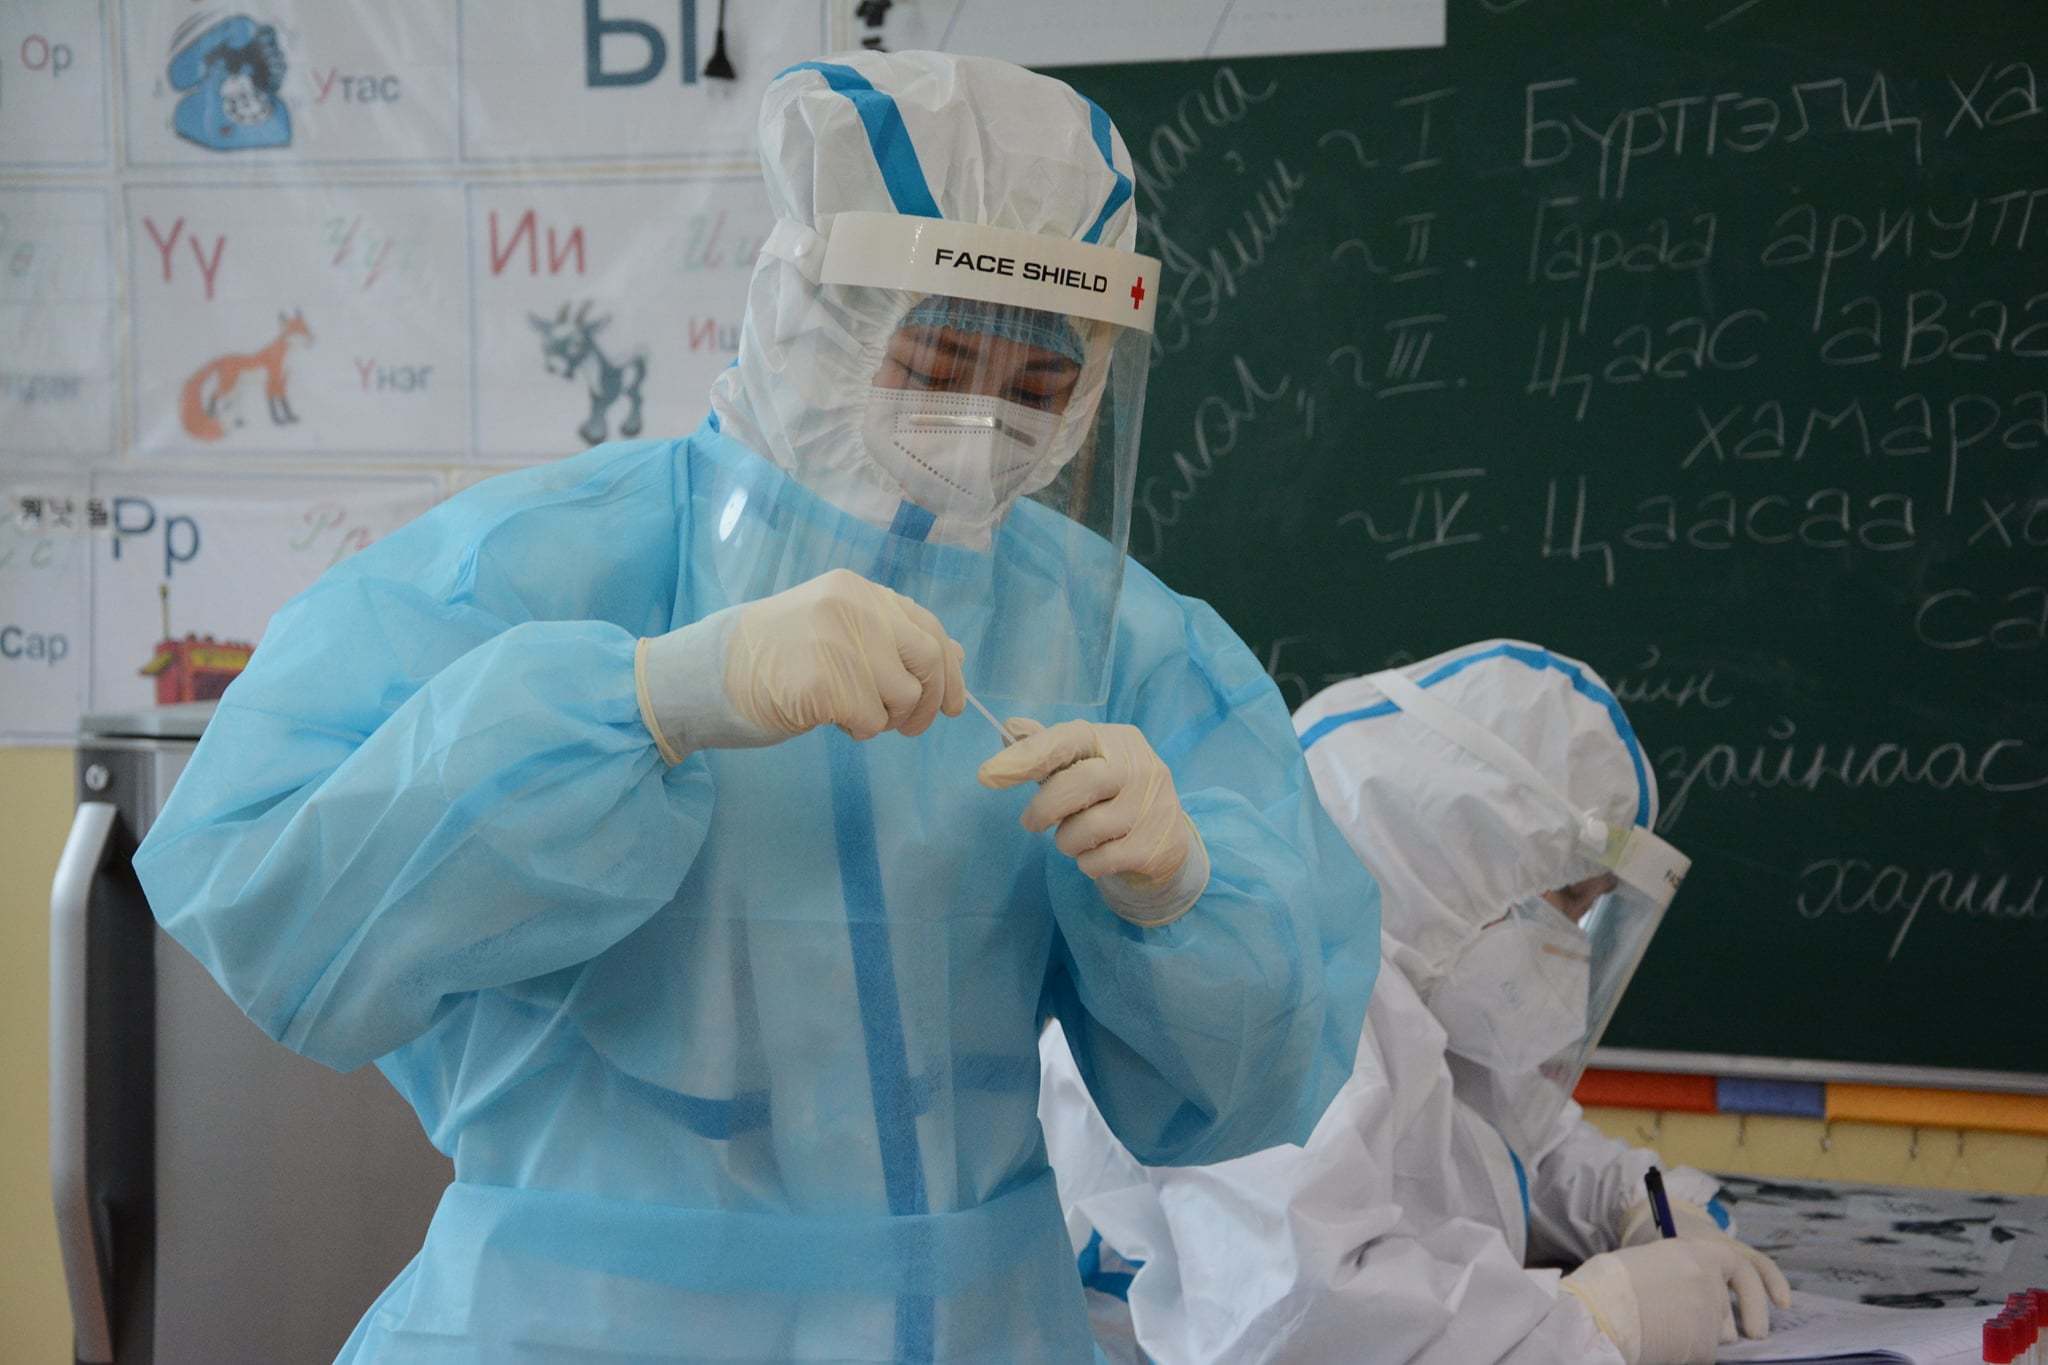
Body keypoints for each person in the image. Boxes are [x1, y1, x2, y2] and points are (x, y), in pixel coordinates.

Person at [132, 51, 1380, 1363]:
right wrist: (655, 697)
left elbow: (1245, 1101)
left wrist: (1181, 902)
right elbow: (266, 899)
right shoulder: (544, 562)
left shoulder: (1114, 637)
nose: (981, 423)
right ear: (816, 312)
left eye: (1036, 388)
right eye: (940, 356)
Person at [1041, 640, 1791, 1365]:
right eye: (1568, 897)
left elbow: (1522, 1151)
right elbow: (1297, 1327)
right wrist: (1594, 1323)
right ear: (1463, 846)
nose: (1572, 943)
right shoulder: (1271, 989)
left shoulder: (1410, 987)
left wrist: (1651, 1208)